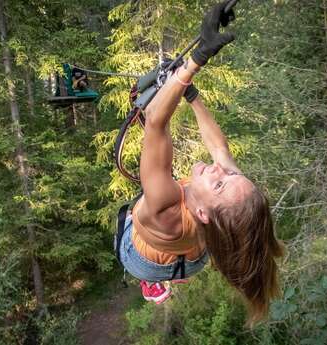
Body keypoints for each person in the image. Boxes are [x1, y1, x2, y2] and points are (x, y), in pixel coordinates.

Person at [116, 0, 284, 325]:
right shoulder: (229, 207)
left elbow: (155, 123)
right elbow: (219, 148)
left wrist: (194, 61)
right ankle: (178, 269)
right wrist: (190, 95)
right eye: (230, 174)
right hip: (192, 258)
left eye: (220, 182)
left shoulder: (166, 209)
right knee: (212, 220)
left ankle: (154, 279)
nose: (220, 169)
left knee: (128, 219)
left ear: (204, 212)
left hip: (147, 260)